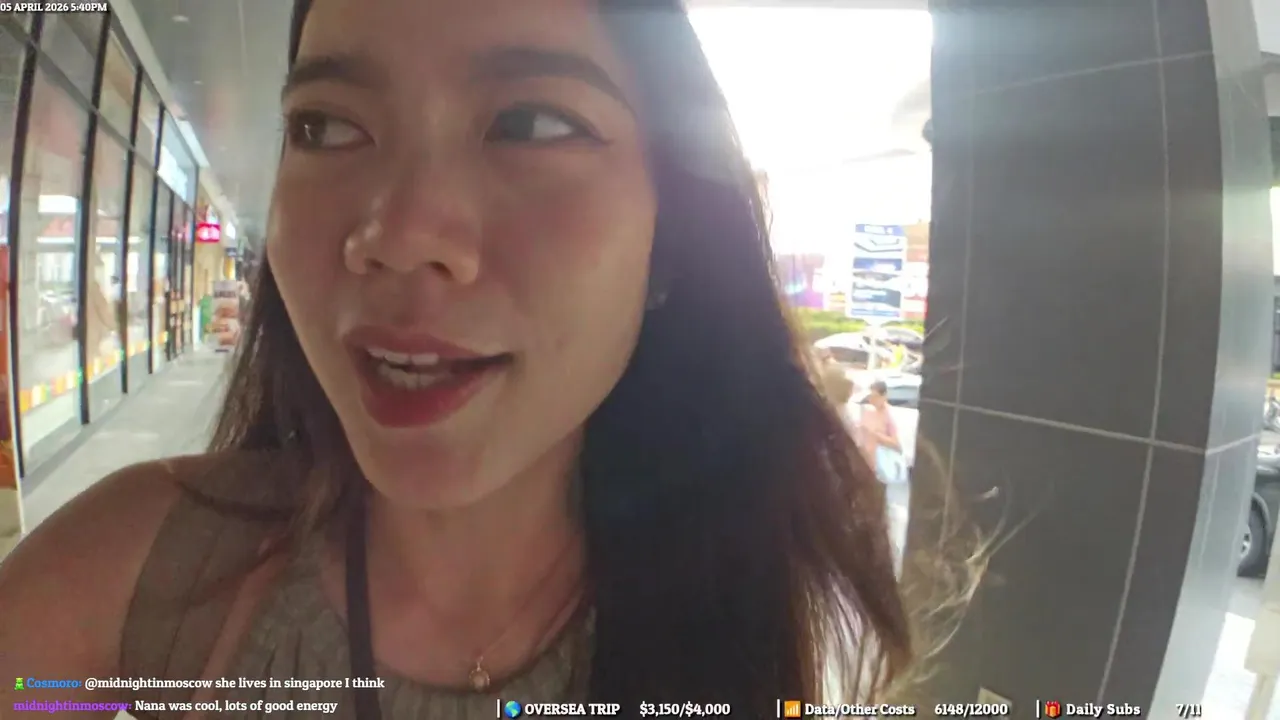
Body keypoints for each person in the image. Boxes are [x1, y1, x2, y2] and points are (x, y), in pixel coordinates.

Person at [0, 0, 910, 717]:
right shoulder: (140, 575)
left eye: (532, 124)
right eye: (325, 126)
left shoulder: (794, 622)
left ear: (671, 237)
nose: (397, 239)